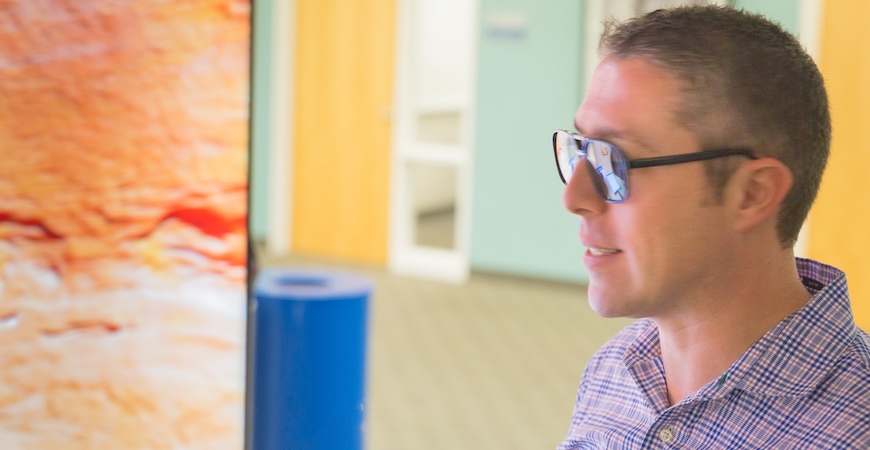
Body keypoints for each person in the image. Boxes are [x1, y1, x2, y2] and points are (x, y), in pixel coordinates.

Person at [552, 5, 870, 449]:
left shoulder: (854, 428)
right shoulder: (614, 370)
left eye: (614, 161)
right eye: (582, 150)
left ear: (752, 194)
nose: (575, 199)